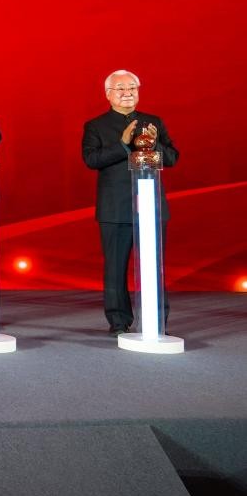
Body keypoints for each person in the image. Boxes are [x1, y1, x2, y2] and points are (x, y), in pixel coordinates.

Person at [82, 69, 178, 336]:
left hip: (151, 206)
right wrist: (123, 145)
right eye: (121, 89)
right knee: (115, 268)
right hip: (115, 208)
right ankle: (118, 322)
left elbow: (172, 158)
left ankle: (157, 322)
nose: (127, 93)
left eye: (132, 88)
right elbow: (91, 160)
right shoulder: (96, 126)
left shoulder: (153, 121)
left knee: (154, 267)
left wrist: (154, 144)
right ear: (108, 94)